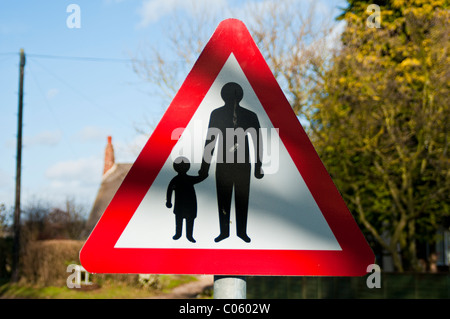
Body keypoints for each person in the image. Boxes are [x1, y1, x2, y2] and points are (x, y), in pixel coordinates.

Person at [199, 82, 264, 243]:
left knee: (242, 198)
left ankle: (241, 232)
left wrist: (258, 165)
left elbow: (258, 141)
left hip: (242, 164)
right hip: (224, 163)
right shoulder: (217, 114)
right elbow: (211, 141)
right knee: (224, 198)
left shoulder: (249, 115)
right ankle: (225, 232)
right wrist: (204, 167)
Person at [166, 156, 205, 243]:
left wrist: (204, 174)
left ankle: (189, 236)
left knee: (190, 220)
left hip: (190, 205)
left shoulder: (188, 179)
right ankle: (178, 234)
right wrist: (168, 201)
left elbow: (200, 178)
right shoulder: (176, 180)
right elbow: (170, 190)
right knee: (179, 220)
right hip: (180, 205)